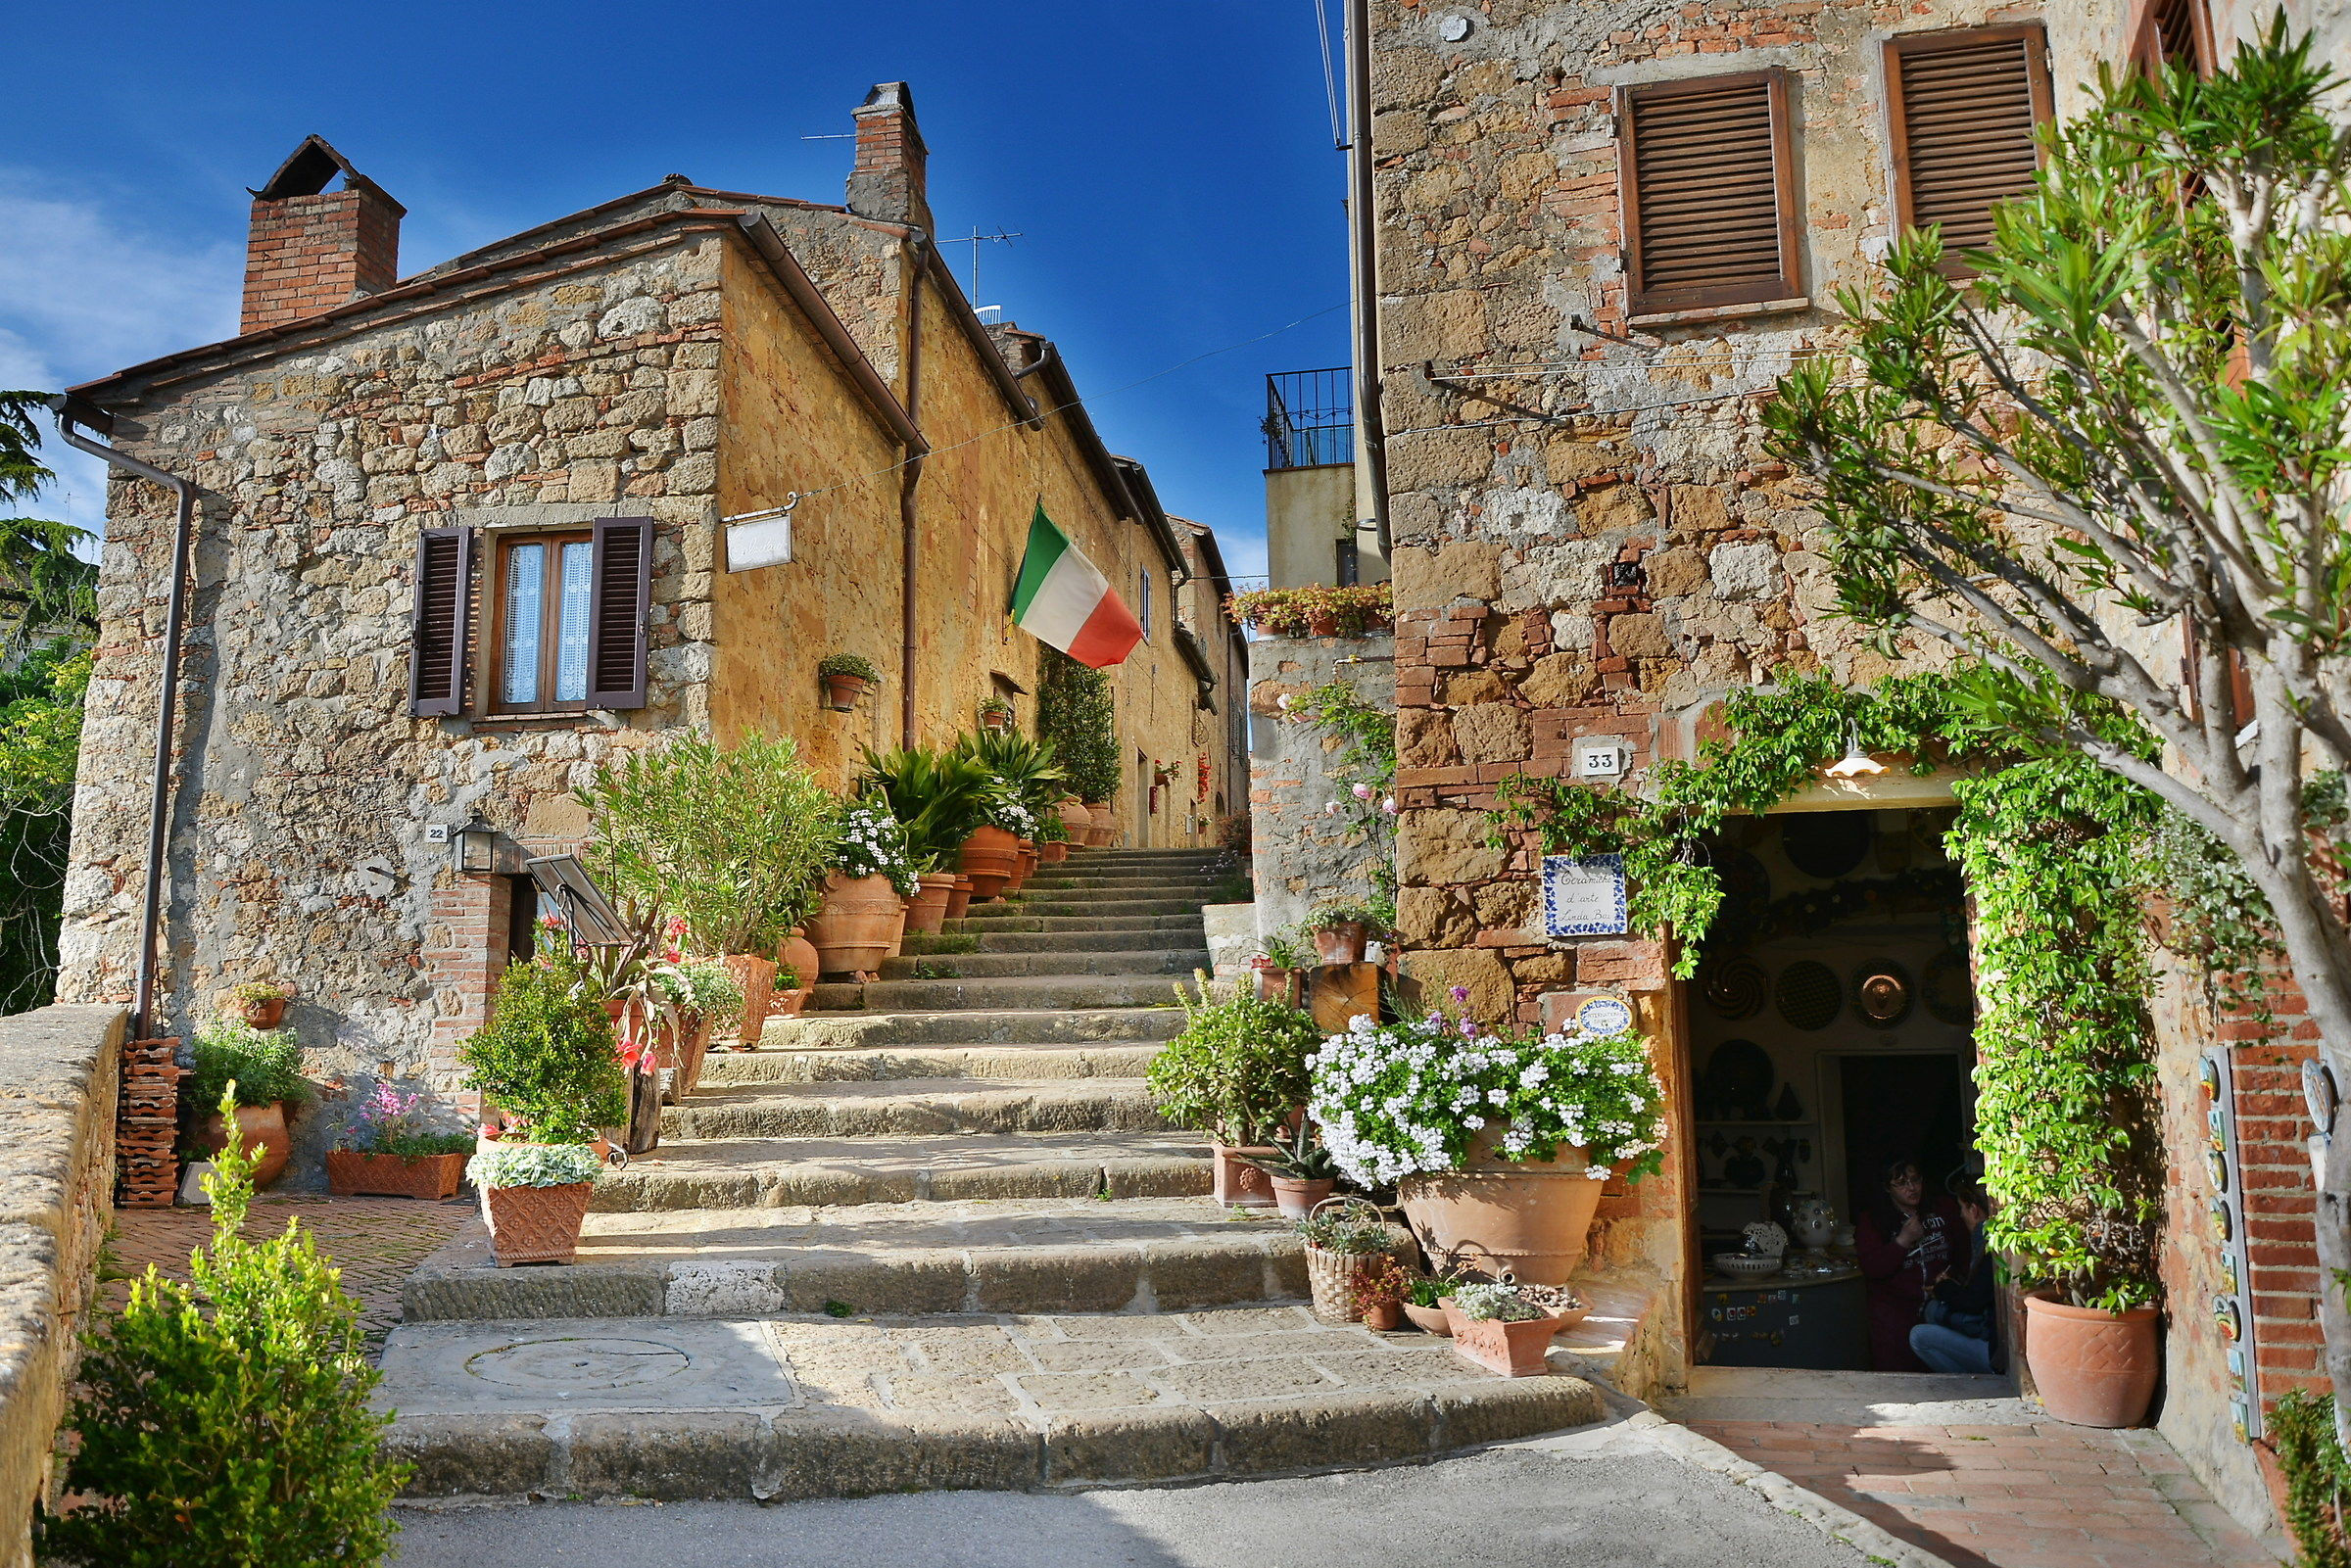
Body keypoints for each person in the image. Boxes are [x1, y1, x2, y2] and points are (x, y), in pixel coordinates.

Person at [1853, 1158, 1963, 1371]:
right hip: (1894, 1318)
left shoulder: (1942, 1208)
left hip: (1941, 1308)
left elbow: (1964, 1250)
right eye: (1901, 1183)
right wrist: (1902, 1242)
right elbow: (1872, 1268)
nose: (1912, 1188)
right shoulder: (1873, 1220)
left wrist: (1954, 1278)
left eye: (1915, 1180)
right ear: (1887, 1188)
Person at [1910, 1179, 1999, 1375]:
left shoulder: (1989, 1245)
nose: (1960, 1215)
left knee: (1918, 1336)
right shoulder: (1987, 1240)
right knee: (1934, 1312)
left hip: (1994, 1351)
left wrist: (1942, 1289)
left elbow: (1973, 1301)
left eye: (1962, 1209)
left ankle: (1970, 1384)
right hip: (1989, 1339)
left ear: (1974, 1210)